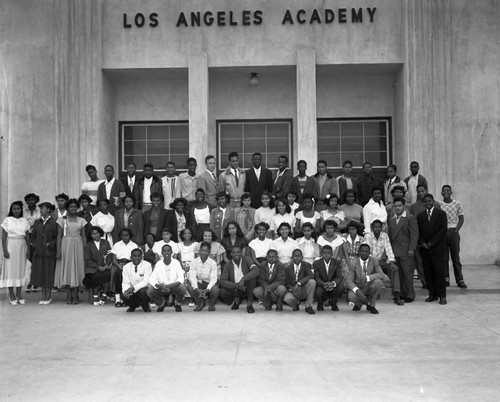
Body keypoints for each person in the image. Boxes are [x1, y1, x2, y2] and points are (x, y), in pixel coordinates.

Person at [54, 198, 87, 305]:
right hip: (66, 245)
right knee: (67, 269)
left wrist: (85, 250)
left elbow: (84, 236)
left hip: (78, 245)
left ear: (77, 208)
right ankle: (68, 294)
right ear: (67, 208)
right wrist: (58, 251)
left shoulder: (82, 220)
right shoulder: (62, 220)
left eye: (75, 207)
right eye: (71, 207)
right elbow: (59, 235)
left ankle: (76, 294)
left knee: (77, 268)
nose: (73, 208)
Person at [417, 194, 448, 305]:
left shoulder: (441, 214)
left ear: (433, 201)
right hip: (425, 249)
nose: (428, 203)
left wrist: (431, 243)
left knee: (439, 273)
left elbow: (442, 230)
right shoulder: (420, 216)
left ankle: (442, 296)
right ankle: (432, 294)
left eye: (430, 201)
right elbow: (419, 232)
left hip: (437, 248)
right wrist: (423, 243)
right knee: (428, 273)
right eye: (426, 202)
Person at [364, 219, 403, 306]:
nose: (377, 229)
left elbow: (388, 249)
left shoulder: (384, 236)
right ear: (372, 228)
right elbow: (367, 251)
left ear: (382, 228)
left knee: (394, 269)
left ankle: (397, 294)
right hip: (371, 262)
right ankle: (369, 293)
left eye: (379, 227)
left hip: (382, 261)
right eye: (375, 227)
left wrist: (392, 261)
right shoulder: (368, 236)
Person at [388, 197, 419, 303]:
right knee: (398, 273)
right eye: (395, 206)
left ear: (404, 206)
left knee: (407, 273)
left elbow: (414, 235)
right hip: (395, 250)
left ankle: (410, 294)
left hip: (406, 250)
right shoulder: (392, 219)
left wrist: (412, 248)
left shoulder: (410, 218)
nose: (397, 208)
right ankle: (400, 293)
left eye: (399, 206)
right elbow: (391, 236)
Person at [410, 184, 440, 289]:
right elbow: (414, 224)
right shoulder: (414, 207)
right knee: (420, 261)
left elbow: (438, 224)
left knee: (433, 261)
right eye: (419, 191)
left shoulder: (436, 205)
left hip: (433, 238)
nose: (421, 193)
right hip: (420, 238)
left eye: (423, 191)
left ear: (426, 191)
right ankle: (425, 282)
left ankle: (434, 280)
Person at [1, 201, 30, 305]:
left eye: (18, 208)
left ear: (21, 209)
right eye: (14, 209)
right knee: (10, 270)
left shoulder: (24, 220)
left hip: (21, 246)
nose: (16, 210)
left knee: (19, 270)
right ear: (11, 210)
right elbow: (3, 237)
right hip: (11, 246)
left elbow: (27, 236)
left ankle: (19, 294)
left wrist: (28, 250)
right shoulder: (7, 220)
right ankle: (11, 294)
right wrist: (5, 250)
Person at [346, 243, 388, 314]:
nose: (364, 253)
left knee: (378, 283)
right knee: (351, 297)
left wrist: (369, 277)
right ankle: (359, 303)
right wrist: (358, 291)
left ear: (369, 252)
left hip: (369, 286)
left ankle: (371, 305)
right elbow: (348, 281)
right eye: (362, 251)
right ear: (359, 252)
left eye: (366, 251)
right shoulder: (353, 263)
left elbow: (382, 275)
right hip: (359, 286)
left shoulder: (374, 260)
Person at [439, 185, 467, 288]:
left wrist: (456, 230)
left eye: (448, 190)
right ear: (441, 193)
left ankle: (460, 280)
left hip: (453, 232)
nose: (446, 192)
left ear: (451, 192)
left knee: (455, 257)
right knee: (444, 258)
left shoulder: (457, 203)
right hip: (443, 233)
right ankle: (446, 279)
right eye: (444, 191)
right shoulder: (439, 204)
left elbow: (461, 219)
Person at [30, 202, 58, 304]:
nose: (41, 210)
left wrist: (49, 244)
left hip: (49, 252)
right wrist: (35, 244)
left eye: (43, 208)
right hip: (38, 252)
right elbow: (33, 235)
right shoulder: (37, 222)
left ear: (49, 210)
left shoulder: (54, 223)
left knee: (48, 274)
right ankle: (43, 296)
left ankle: (48, 296)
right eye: (40, 208)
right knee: (40, 273)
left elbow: (57, 238)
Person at [219, 246, 260, 313]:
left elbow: (256, 270)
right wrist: (237, 285)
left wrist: (243, 279)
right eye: (234, 252)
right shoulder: (227, 265)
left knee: (252, 280)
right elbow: (222, 281)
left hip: (246, 287)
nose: (236, 254)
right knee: (222, 292)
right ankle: (236, 299)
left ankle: (249, 304)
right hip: (235, 288)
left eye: (238, 252)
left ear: (241, 253)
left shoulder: (247, 260)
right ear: (231, 254)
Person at [146, 244, 186, 312]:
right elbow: (152, 279)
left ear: (172, 252)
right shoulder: (158, 264)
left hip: (173, 286)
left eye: (168, 251)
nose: (166, 253)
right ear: (161, 253)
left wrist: (169, 286)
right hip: (162, 288)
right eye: (164, 251)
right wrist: (158, 285)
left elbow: (181, 278)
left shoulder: (176, 262)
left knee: (182, 288)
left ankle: (177, 303)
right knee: (149, 291)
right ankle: (162, 303)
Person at [83, 226, 112, 306]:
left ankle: (104, 295)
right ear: (91, 235)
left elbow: (110, 255)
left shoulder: (106, 242)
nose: (96, 235)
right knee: (97, 275)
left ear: (100, 233)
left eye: (97, 233)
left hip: (105, 266)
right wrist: (98, 267)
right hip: (93, 268)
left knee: (108, 274)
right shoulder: (89, 245)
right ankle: (95, 295)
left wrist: (106, 265)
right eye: (93, 234)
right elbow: (87, 260)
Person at [110, 228, 138, 308]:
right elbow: (113, 259)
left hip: (129, 263)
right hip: (118, 263)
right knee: (118, 274)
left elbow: (136, 258)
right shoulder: (117, 244)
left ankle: (124, 298)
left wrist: (127, 265)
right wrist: (118, 265)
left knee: (126, 277)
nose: (125, 237)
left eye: (127, 235)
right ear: (120, 236)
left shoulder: (134, 245)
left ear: (130, 236)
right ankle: (118, 299)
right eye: (123, 235)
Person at [187, 241, 219, 311]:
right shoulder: (194, 262)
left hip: (208, 283)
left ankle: (211, 304)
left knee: (215, 289)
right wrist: (196, 288)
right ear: (199, 251)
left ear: (209, 252)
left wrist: (207, 289)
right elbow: (192, 277)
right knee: (190, 287)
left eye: (206, 251)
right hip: (198, 283)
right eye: (202, 250)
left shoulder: (212, 263)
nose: (204, 252)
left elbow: (213, 279)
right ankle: (200, 303)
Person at [283, 249, 316, 314]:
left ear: (302, 257)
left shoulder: (306, 265)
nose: (297, 258)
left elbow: (311, 276)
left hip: (303, 289)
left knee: (312, 282)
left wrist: (299, 283)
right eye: (295, 256)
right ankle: (296, 303)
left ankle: (308, 306)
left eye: (299, 256)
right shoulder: (288, 268)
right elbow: (286, 283)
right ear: (292, 257)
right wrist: (293, 290)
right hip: (293, 290)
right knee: (287, 298)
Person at [313, 245, 344, 312]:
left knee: (341, 286)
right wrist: (324, 284)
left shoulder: (336, 262)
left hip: (332, 285)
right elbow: (317, 278)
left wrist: (333, 283)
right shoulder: (317, 263)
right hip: (322, 285)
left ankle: (333, 303)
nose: (326, 255)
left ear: (332, 254)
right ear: (321, 254)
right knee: (318, 291)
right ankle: (320, 304)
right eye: (324, 253)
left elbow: (339, 276)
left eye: (328, 253)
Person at [121, 248, 152, 313]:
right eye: (134, 256)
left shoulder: (147, 265)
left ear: (142, 257)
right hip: (132, 289)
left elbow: (146, 282)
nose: (137, 258)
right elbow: (125, 282)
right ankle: (132, 306)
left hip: (144, 289)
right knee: (124, 295)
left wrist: (133, 288)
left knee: (142, 291)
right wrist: (126, 291)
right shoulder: (126, 267)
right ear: (131, 257)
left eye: (139, 256)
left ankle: (145, 306)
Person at [24, 193, 41, 292]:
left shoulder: (39, 210)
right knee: (28, 258)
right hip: (26, 236)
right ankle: (28, 282)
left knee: (36, 258)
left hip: (37, 236)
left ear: (36, 200)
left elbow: (40, 222)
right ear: (26, 201)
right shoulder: (24, 211)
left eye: (33, 199)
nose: (31, 201)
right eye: (29, 200)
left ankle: (35, 282)